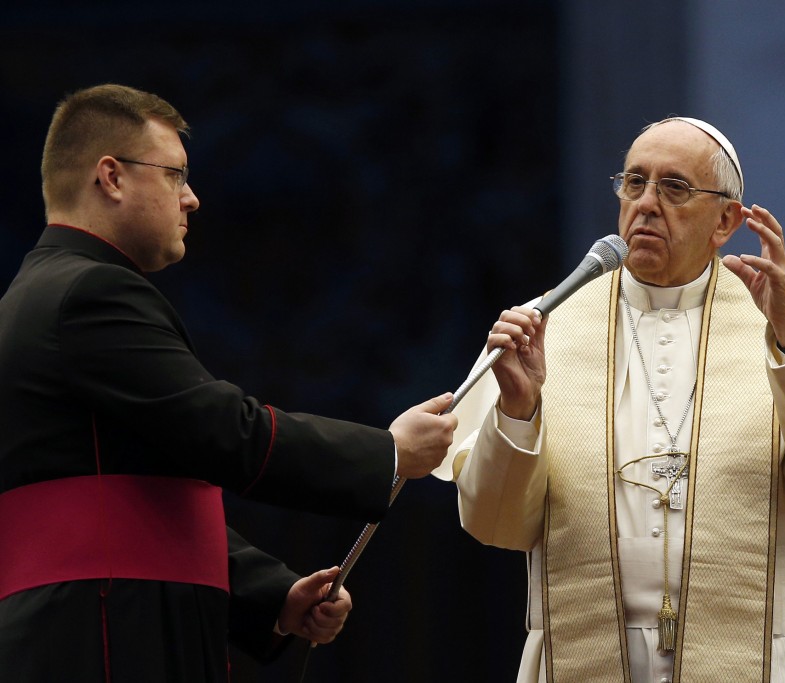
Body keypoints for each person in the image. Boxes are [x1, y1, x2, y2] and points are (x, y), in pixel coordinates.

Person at [0, 83, 457, 681]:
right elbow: (220, 429)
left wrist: (271, 595)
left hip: (94, 618)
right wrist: (388, 454)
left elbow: (143, 490)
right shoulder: (89, 292)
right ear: (110, 177)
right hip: (105, 630)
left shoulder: (42, 292)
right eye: (174, 175)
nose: (191, 199)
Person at [435, 117, 785, 682]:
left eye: (674, 188)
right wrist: (518, 411)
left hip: (759, 656)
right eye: (634, 184)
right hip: (585, 653)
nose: (647, 204)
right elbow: (495, 524)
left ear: (727, 219)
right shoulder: (541, 326)